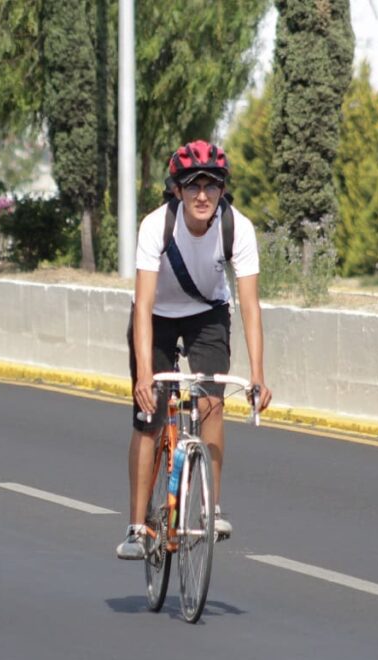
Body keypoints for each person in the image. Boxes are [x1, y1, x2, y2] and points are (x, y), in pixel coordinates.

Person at [116, 141, 273, 560]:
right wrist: (145, 375)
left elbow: (250, 306)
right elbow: (144, 305)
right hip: (158, 318)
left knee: (212, 405)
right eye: (192, 186)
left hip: (207, 314)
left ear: (223, 190)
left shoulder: (238, 228)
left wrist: (258, 374)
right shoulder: (155, 226)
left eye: (211, 185)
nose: (202, 195)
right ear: (177, 191)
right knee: (149, 416)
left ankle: (210, 509)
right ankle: (136, 526)